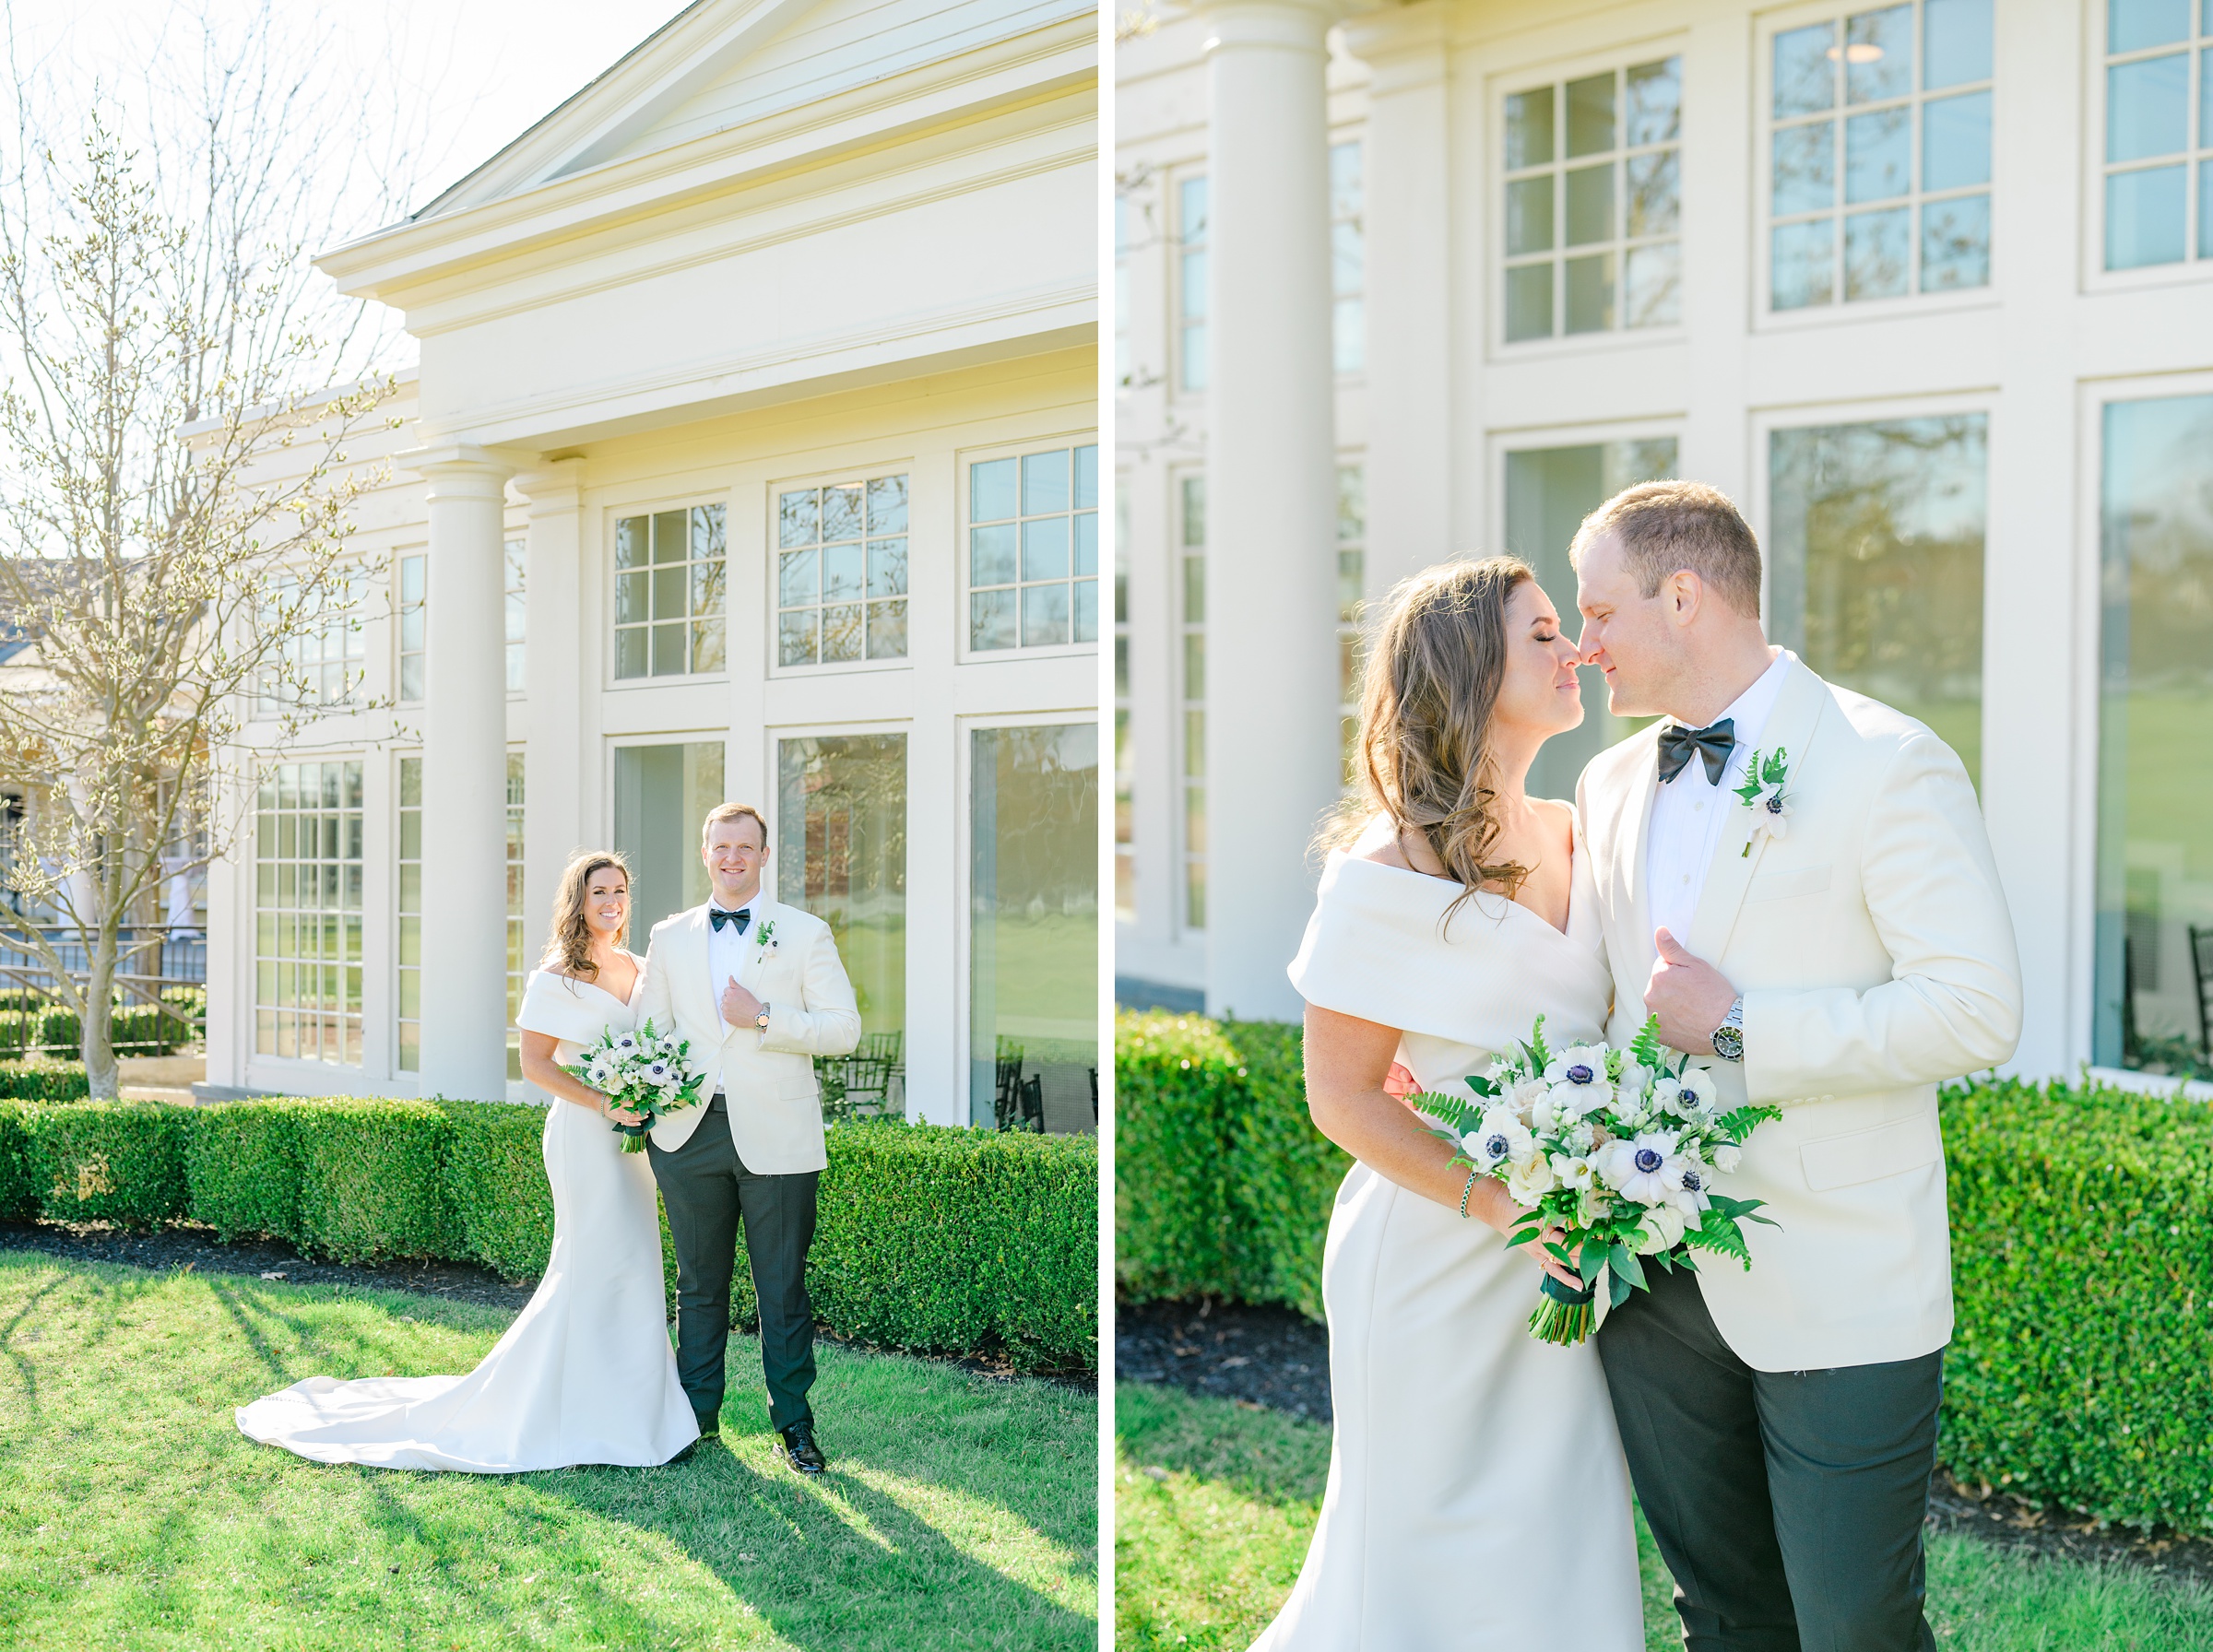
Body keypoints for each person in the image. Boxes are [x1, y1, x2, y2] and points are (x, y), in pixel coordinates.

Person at [1571, 479, 2023, 1651]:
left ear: (1686, 596)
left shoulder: (1890, 762)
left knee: (1854, 1624)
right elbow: (1597, 1006)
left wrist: (1740, 1028)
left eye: (1602, 611)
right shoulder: (1609, 782)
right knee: (1721, 1614)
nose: (1584, 644)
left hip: (1844, 1278)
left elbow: (1976, 1011)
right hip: (1658, 1285)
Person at [1252, 558, 1645, 1651]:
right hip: (1435, 1250)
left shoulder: (1583, 830)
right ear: (1472, 669)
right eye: (1544, 633)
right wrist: (1497, 1204)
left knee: (1558, 1541)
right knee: (1414, 1551)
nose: (1573, 651)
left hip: (1568, 1245)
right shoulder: (1388, 869)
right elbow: (1338, 1094)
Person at [234, 850, 699, 1471]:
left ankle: (632, 1412)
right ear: (578, 903)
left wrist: (645, 1093)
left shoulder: (641, 969)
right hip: (585, 1139)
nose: (611, 902)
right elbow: (536, 1064)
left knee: (634, 1262)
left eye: (619, 890)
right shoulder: (556, 978)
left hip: (632, 1143)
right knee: (593, 1261)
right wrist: (602, 1100)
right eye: (599, 893)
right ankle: (565, 1412)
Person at [635, 802, 860, 1476]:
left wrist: (762, 1015)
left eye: (745, 848)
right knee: (699, 1284)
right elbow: (651, 1034)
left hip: (780, 1139)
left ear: (764, 857)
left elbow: (843, 1029)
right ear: (706, 854)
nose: (732, 858)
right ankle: (695, 1419)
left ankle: (793, 1424)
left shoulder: (805, 932)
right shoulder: (669, 936)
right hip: (689, 1134)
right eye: (721, 847)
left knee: (781, 1287)